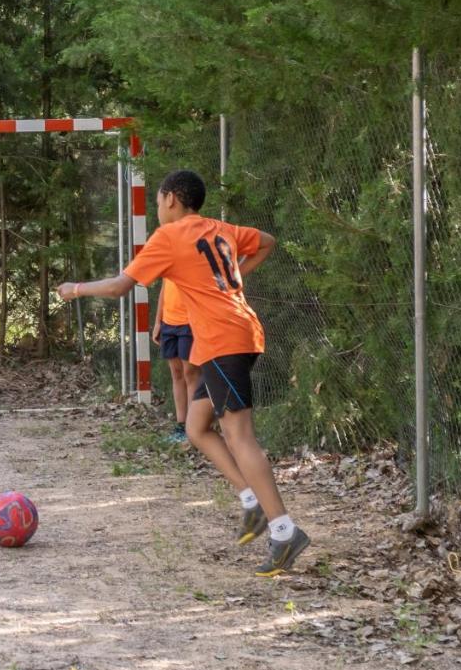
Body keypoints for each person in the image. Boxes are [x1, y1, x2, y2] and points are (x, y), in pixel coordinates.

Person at [57, 169, 309, 576]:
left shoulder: (170, 237)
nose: (157, 208)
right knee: (196, 427)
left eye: (157, 201)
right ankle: (251, 502)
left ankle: (284, 530)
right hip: (234, 334)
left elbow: (122, 286)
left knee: (239, 435)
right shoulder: (219, 228)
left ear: (171, 198)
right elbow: (267, 241)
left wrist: (76, 289)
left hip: (225, 341)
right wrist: (235, 280)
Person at [152, 279, 196, 445]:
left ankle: (193, 430)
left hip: (189, 323)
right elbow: (164, 288)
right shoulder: (169, 259)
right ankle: (181, 425)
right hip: (168, 324)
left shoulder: (195, 258)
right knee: (177, 374)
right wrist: (158, 322)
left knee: (190, 373)